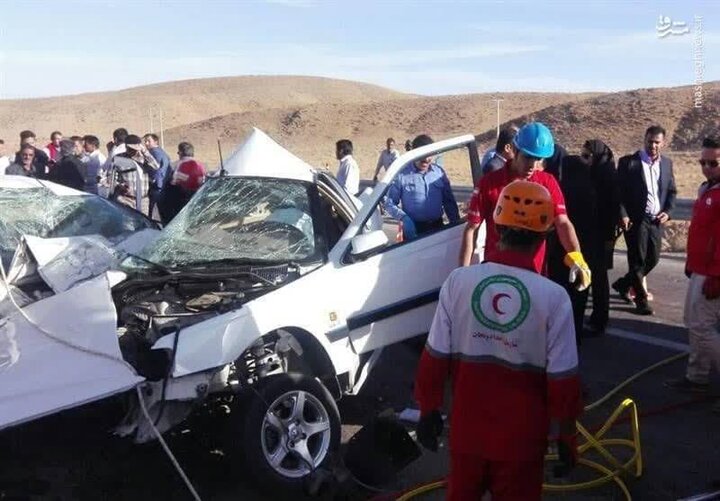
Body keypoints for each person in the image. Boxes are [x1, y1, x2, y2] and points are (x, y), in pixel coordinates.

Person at [414, 180, 582, 500]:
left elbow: (433, 358)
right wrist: (567, 436)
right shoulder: (554, 298)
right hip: (523, 441)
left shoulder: (458, 282)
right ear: (544, 236)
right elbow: (563, 380)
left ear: (498, 226)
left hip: (467, 434)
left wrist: (428, 410)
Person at [459, 122, 591, 293]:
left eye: (538, 159)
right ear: (514, 150)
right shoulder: (489, 183)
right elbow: (471, 229)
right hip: (496, 276)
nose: (532, 165)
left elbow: (562, 222)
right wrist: (462, 273)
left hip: (534, 276)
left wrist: (577, 257)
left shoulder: (548, 183)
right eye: (528, 157)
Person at [665, 137, 720, 409]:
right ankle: (696, 376)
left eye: (713, 163)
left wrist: (717, 275)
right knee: (693, 322)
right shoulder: (706, 189)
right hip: (700, 267)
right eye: (703, 162)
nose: (706, 167)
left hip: (714, 272)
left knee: (702, 327)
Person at [550, 140, 620, 339]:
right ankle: (580, 327)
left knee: (591, 281)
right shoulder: (588, 183)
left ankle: (594, 321)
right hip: (589, 243)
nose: (585, 161)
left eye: (588, 157)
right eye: (582, 157)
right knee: (584, 283)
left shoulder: (604, 178)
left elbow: (610, 208)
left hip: (594, 241)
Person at [612, 125, 676, 315]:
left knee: (653, 259)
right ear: (644, 140)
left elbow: (671, 191)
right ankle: (641, 301)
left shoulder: (666, 164)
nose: (653, 145)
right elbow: (619, 192)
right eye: (650, 141)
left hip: (656, 220)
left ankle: (623, 284)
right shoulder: (629, 163)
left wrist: (668, 211)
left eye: (657, 142)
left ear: (663, 143)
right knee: (637, 260)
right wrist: (622, 214)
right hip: (636, 220)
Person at [384, 134, 460, 240]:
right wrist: (403, 218)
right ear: (414, 153)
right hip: (414, 231)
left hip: (438, 228)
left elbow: (449, 202)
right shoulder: (402, 175)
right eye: (423, 157)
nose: (427, 159)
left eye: (430, 156)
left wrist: (456, 226)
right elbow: (389, 203)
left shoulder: (439, 173)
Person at [158, 142, 205, 224]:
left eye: (178, 152)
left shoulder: (176, 165)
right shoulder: (202, 165)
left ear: (180, 152)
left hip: (179, 199)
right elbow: (202, 181)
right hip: (196, 198)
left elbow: (173, 182)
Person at [143, 133, 172, 219]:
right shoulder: (160, 152)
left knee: (154, 211)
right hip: (162, 185)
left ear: (156, 142)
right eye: (145, 141)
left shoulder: (155, 153)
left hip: (157, 186)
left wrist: (154, 181)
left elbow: (157, 170)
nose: (146, 143)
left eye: (149, 141)